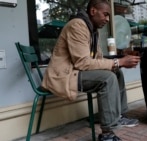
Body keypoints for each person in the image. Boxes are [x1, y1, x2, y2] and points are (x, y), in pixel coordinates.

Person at [41, 0, 140, 141]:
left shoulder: (92, 30)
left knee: (116, 72)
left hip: (76, 71)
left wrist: (119, 62)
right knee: (108, 78)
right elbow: (82, 63)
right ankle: (107, 134)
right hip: (64, 75)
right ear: (93, 11)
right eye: (105, 14)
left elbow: (97, 58)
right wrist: (118, 62)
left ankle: (119, 116)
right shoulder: (77, 26)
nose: (107, 19)